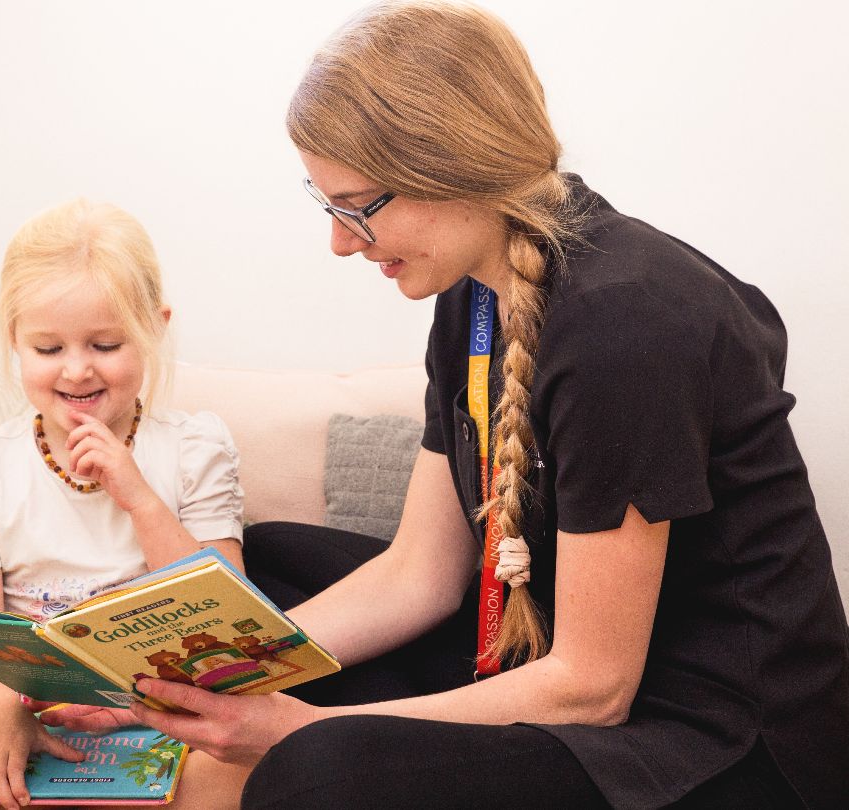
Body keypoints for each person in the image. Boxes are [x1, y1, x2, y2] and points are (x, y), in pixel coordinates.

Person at [44, 3, 849, 808]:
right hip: (550, 662)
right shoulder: (469, 296)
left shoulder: (624, 324)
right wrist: (181, 682)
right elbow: (419, 575)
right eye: (329, 207)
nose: (341, 242)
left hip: (707, 737)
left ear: (455, 165)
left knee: (315, 772)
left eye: (359, 206)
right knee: (274, 568)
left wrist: (300, 733)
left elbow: (594, 688)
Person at [0, 198, 246, 810]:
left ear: (154, 327)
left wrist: (139, 499)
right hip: (29, 715)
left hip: (163, 713)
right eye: (49, 349)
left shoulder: (195, 447)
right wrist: (2, 717)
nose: (77, 370)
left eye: (106, 344)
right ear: (15, 342)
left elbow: (225, 617)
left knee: (268, 762)